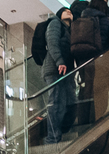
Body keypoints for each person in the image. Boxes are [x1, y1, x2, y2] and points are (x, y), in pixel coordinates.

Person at [41, 8, 75, 144]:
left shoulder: (68, 30)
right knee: (55, 102)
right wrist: (60, 61)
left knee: (66, 103)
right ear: (59, 14)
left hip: (64, 71)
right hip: (54, 69)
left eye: (70, 11)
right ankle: (52, 138)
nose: (69, 12)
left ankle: (58, 134)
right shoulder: (55, 23)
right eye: (65, 11)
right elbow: (52, 43)